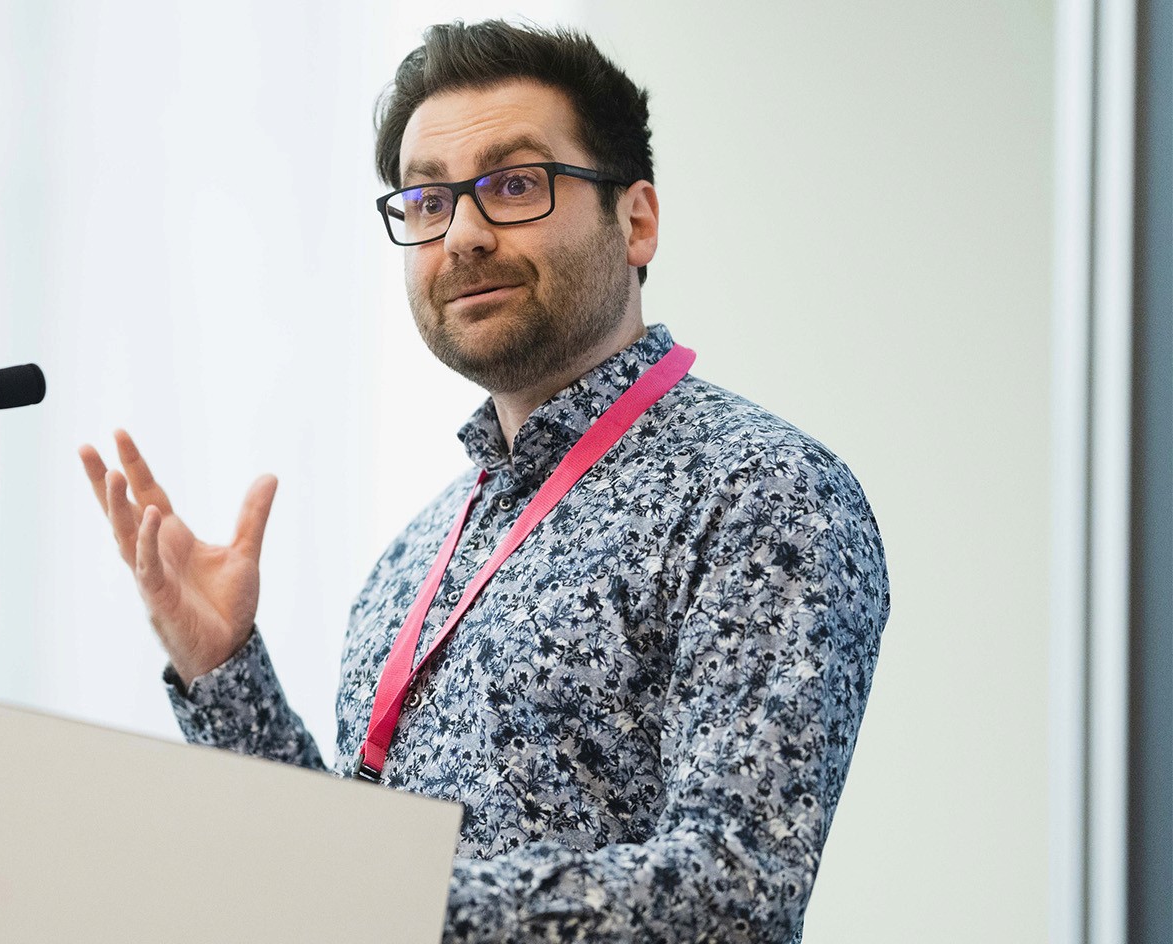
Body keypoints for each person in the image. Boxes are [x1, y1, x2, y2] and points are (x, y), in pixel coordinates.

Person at [77, 21, 887, 944]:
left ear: (636, 221)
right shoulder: (414, 556)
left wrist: (391, 905)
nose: (461, 234)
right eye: (428, 201)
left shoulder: (760, 491)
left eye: (514, 185)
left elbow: (732, 893)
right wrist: (224, 673)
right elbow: (340, 865)